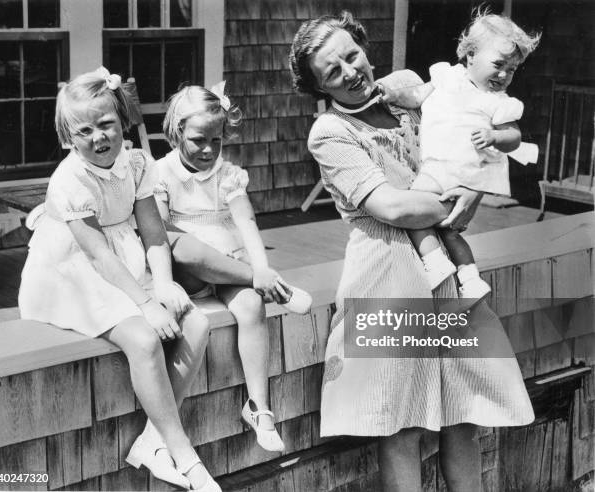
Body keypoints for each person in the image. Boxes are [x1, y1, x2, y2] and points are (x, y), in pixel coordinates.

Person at [290, 12, 534, 491]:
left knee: (463, 412)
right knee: (403, 420)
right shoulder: (330, 132)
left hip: (445, 274)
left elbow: (469, 148)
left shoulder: (412, 99)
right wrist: (458, 197)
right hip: (387, 276)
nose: (350, 71)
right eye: (332, 71)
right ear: (318, 86)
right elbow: (394, 208)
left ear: (363, 45)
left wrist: (474, 188)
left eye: (351, 55)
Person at [19, 67, 220, 492]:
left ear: (123, 122)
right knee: (144, 338)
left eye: (107, 124)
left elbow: (153, 232)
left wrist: (162, 284)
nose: (98, 137)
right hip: (74, 271)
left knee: (196, 321)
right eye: (84, 130)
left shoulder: (137, 163)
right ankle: (184, 454)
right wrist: (146, 304)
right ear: (68, 137)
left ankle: (152, 441)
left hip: (125, 259)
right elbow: (96, 255)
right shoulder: (69, 180)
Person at [153, 83, 312, 452]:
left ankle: (259, 406)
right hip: (188, 268)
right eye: (198, 140)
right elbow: (162, 231)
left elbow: (246, 224)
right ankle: (272, 286)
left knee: (252, 305)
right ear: (177, 133)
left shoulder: (229, 175)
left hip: (228, 264)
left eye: (217, 140)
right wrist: (257, 276)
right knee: (190, 250)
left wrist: (263, 267)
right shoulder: (161, 174)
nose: (209, 149)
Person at [380, 11, 540, 303]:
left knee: (420, 217)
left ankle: (439, 264)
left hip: (465, 176)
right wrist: (392, 95)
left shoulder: (499, 103)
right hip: (434, 168)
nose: (504, 75)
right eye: (498, 64)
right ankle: (466, 276)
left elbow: (514, 137)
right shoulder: (446, 78)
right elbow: (416, 96)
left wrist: (495, 136)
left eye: (513, 69)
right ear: (469, 56)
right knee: (444, 229)